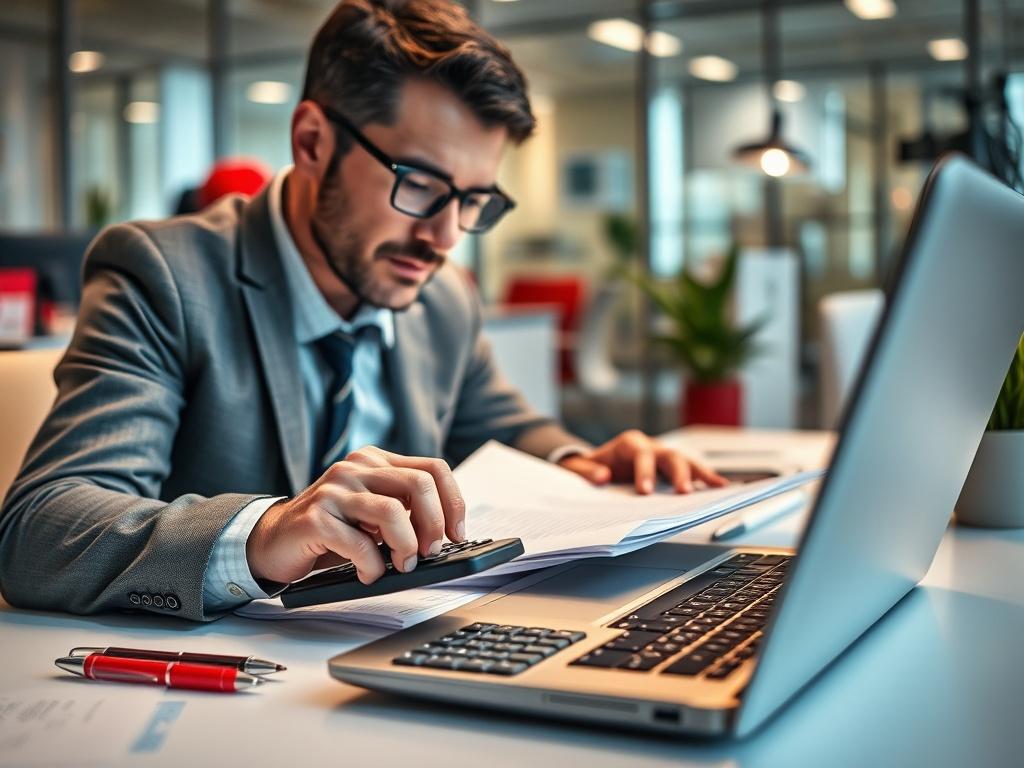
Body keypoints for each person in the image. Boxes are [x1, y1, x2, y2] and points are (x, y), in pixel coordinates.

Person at [0, 0, 724, 622]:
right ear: (312, 142)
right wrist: (265, 533)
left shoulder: (441, 299)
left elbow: (504, 428)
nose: (444, 238)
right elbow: (37, 533)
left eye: (474, 201)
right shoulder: (165, 275)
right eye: (420, 184)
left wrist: (584, 463)